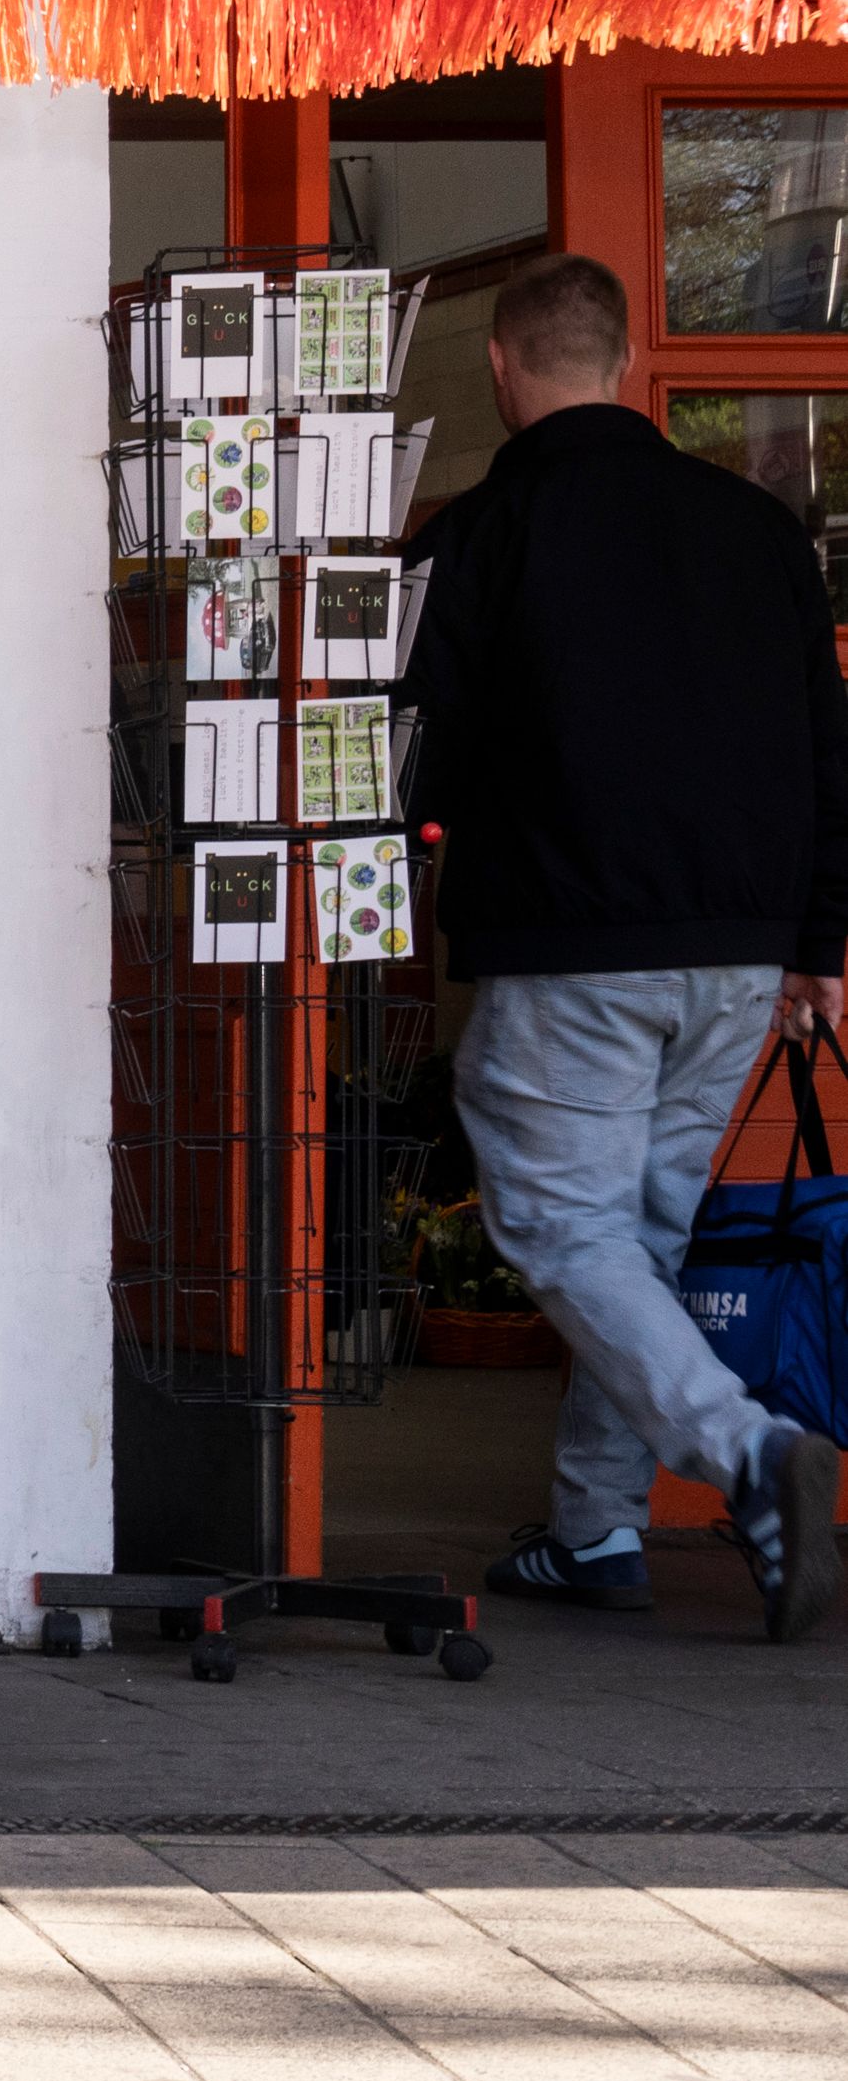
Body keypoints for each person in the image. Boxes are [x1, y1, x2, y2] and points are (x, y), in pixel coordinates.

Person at [407, 249, 848, 1638]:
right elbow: (826, 748)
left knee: (558, 1221)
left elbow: (418, 748)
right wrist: (817, 941)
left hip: (570, 939)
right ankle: (596, 1529)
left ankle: (747, 1453)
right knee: (641, 1233)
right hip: (736, 947)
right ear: (626, 363)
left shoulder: (480, 536)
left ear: (501, 364)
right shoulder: (758, 527)